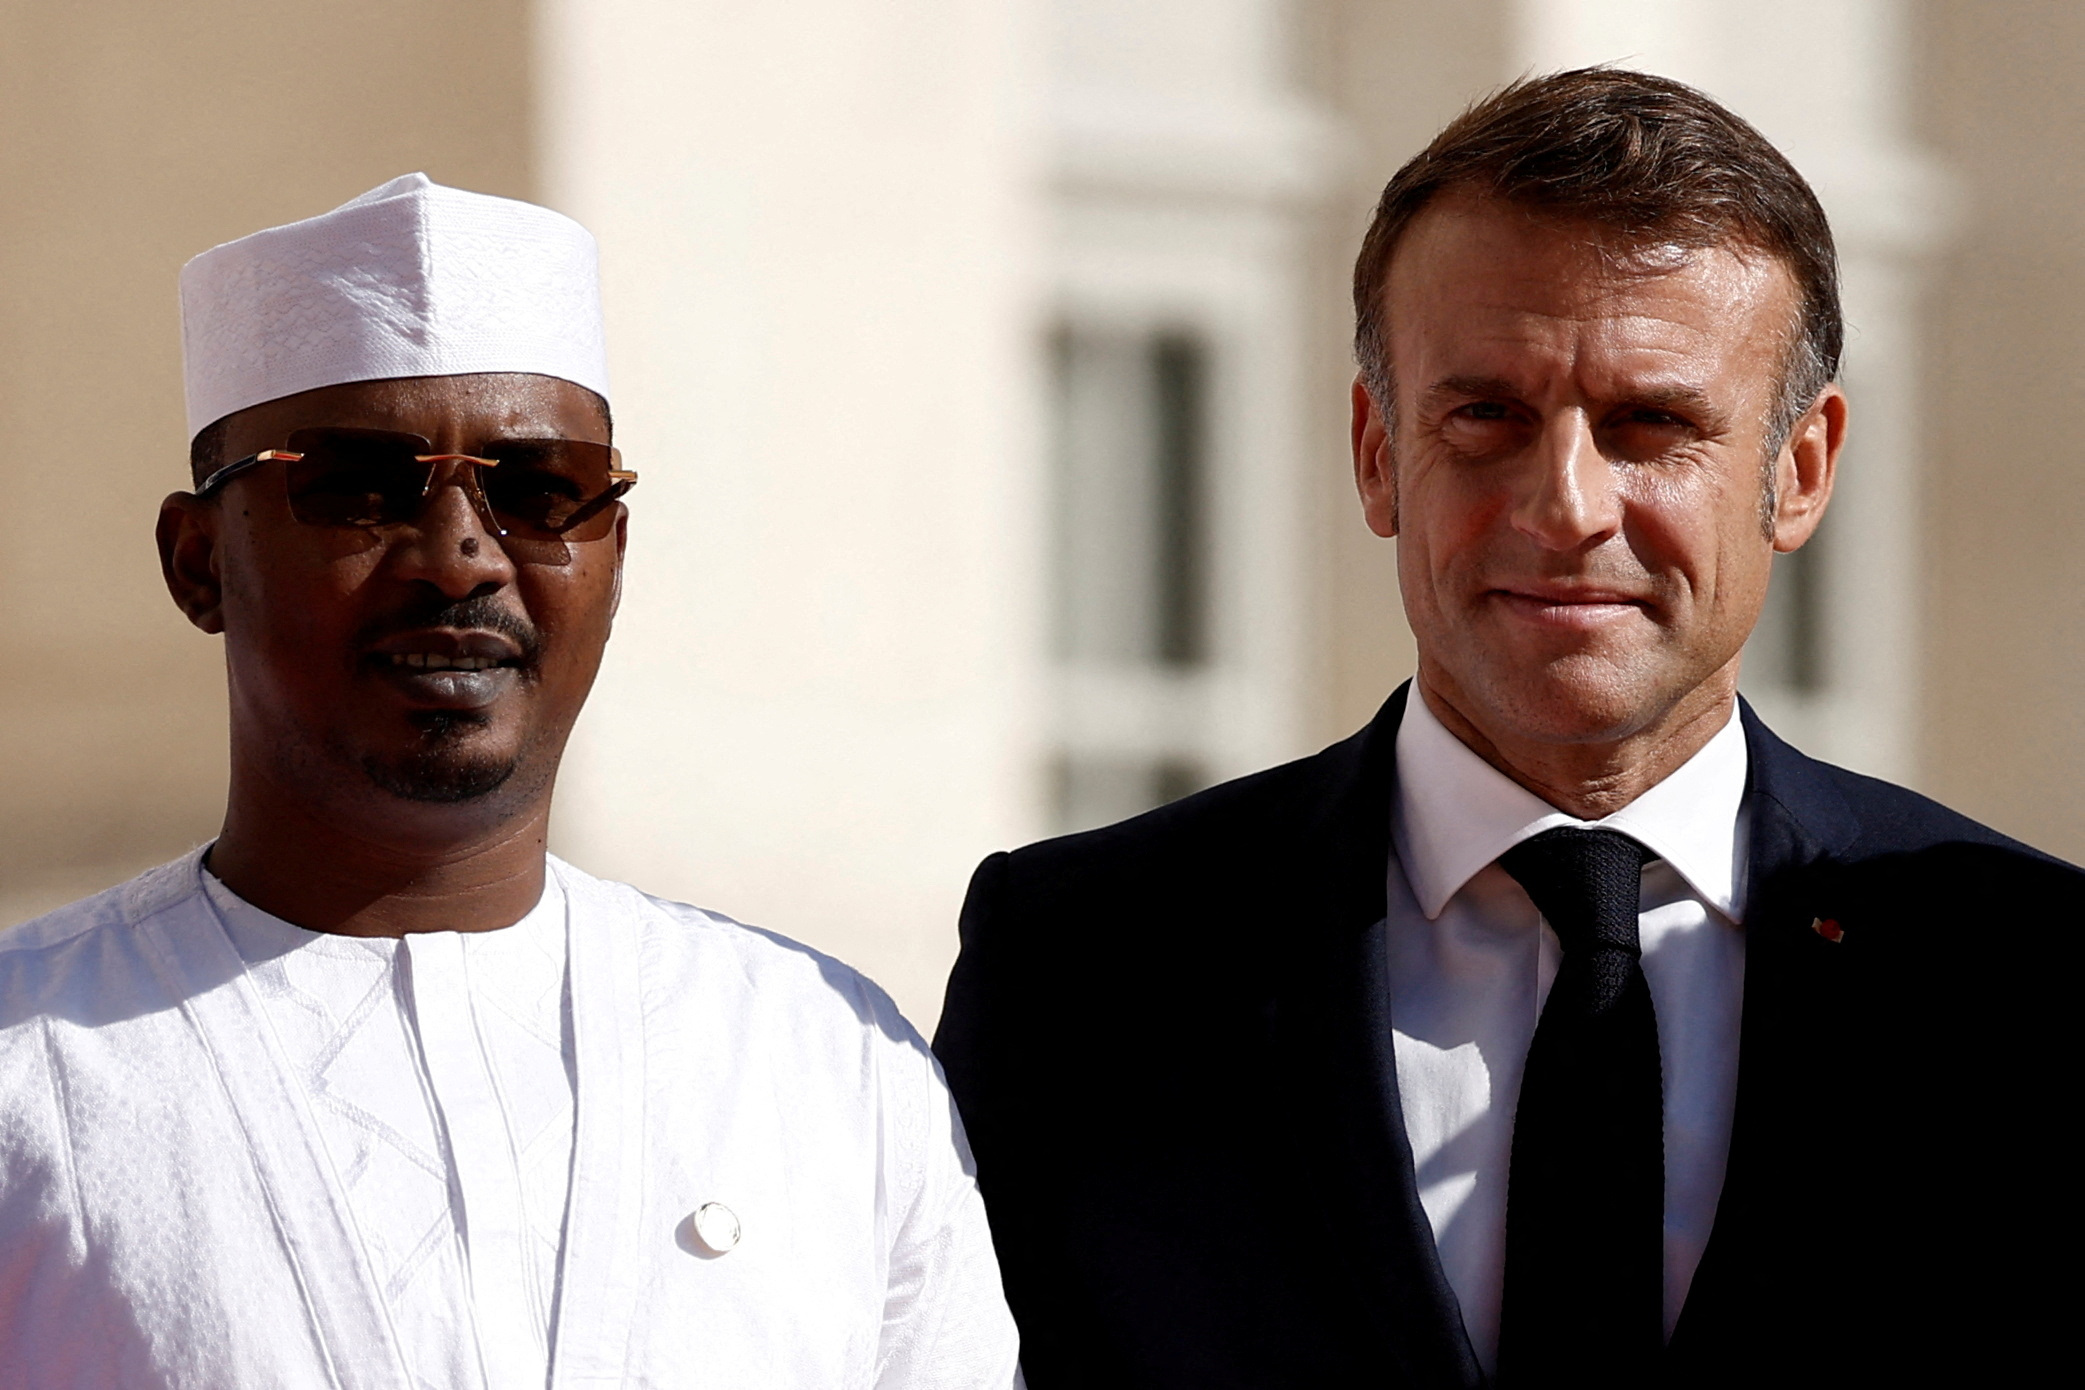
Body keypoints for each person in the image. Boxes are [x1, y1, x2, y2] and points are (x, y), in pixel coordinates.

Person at [935, 69, 2080, 1390]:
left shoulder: (2034, 983)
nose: (1565, 504)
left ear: (1801, 468)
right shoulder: (1086, 966)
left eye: (1653, 423)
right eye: (1487, 415)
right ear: (1378, 451)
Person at [0, 174, 1019, 1388]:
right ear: (198, 560)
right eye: (360, 486)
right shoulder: (27, 1064)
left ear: (614, 557)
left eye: (539, 492)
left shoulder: (825, 1063)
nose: (459, 558)